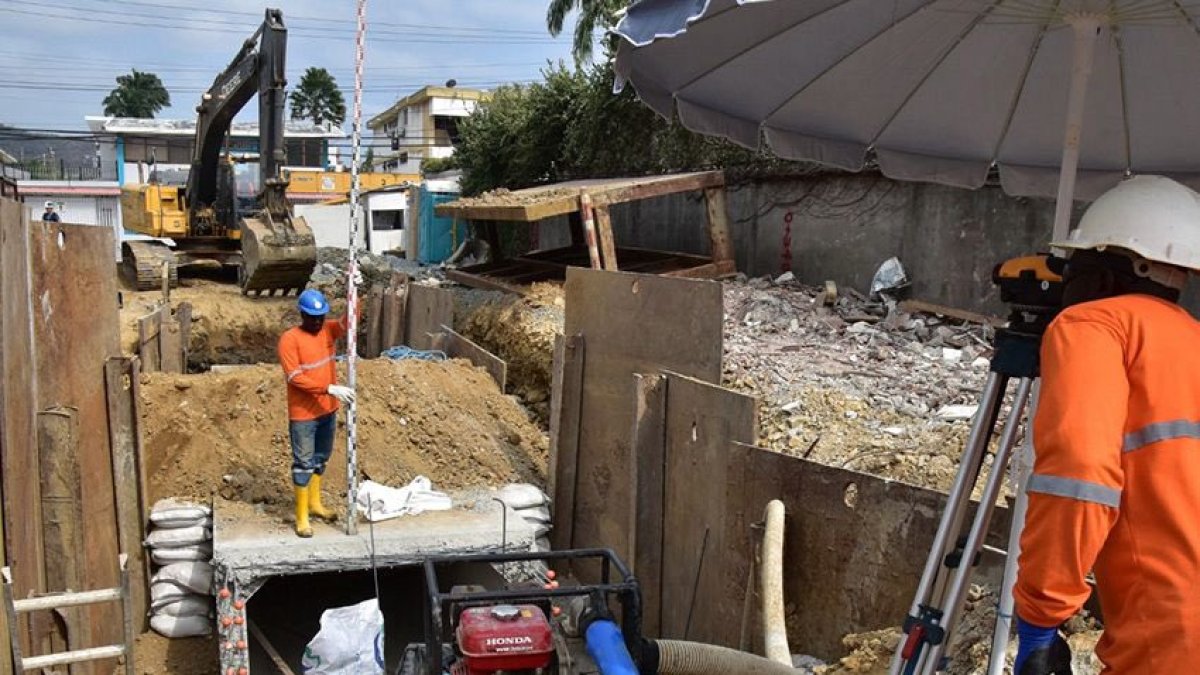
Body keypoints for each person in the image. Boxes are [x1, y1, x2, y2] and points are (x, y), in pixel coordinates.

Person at [1013, 175, 1200, 674]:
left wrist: (1040, 616)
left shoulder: (1093, 326)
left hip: (1171, 638)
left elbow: (1078, 476)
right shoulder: (1192, 340)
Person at [277, 288, 356, 538]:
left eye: (321, 316)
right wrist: (328, 388)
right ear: (302, 315)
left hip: (327, 411)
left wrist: (355, 291)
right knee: (303, 464)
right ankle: (302, 517)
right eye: (313, 317)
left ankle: (315, 504)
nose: (318, 322)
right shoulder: (290, 340)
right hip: (303, 415)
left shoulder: (327, 331)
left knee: (321, 458)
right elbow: (295, 377)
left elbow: (349, 321)